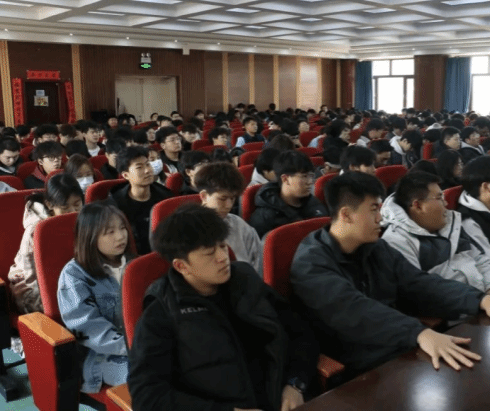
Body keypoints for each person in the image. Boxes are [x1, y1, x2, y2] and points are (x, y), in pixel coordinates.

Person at [290, 172, 490, 379]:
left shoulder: (376, 248)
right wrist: (419, 333)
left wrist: (481, 300)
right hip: (359, 366)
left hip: (399, 345)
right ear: (346, 214)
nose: (381, 218)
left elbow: (420, 284)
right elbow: (355, 310)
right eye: (374, 209)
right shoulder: (311, 263)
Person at [128, 205, 318, 411]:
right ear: (182, 266)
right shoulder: (161, 313)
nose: (222, 257)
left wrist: (295, 384)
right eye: (210, 253)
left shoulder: (245, 280)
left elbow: (300, 332)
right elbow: (147, 396)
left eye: (222, 246)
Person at [381, 172, 490, 300]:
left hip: (487, 300)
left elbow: (482, 259)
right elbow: (421, 291)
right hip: (459, 315)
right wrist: (481, 302)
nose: (446, 204)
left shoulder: (449, 224)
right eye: (439, 198)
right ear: (418, 205)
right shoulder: (398, 241)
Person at [57, 203, 134, 393]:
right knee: (151, 377)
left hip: (144, 345)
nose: (120, 236)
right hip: (101, 355)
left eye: (122, 228)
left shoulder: (135, 264)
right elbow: (87, 327)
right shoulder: (74, 275)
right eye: (110, 232)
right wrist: (136, 347)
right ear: (90, 237)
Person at [8, 174, 84, 315]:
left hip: (72, 282)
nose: (73, 212)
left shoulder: (85, 220)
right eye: (65, 208)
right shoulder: (35, 232)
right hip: (32, 288)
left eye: (77, 205)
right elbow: (31, 280)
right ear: (49, 205)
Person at [195, 162, 263, 275]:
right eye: (222, 199)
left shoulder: (240, 225)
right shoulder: (190, 229)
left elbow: (258, 264)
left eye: (232, 199)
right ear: (204, 196)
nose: (228, 205)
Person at [109, 146, 173, 254]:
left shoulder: (165, 196)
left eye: (148, 164)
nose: (147, 170)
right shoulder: (115, 205)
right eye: (139, 167)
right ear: (126, 175)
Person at [249, 150, 328, 238]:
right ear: (285, 179)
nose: (310, 182)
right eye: (304, 176)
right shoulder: (264, 217)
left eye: (311, 176)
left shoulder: (314, 204)